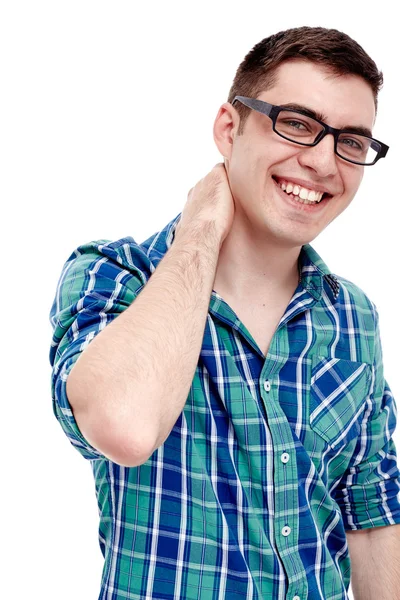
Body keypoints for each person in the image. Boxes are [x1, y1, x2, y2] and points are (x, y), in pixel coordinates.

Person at [48, 25, 400, 600]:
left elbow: (372, 510)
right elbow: (124, 427)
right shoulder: (115, 276)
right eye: (297, 124)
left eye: (352, 143)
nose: (322, 162)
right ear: (228, 129)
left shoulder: (353, 315)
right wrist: (202, 227)